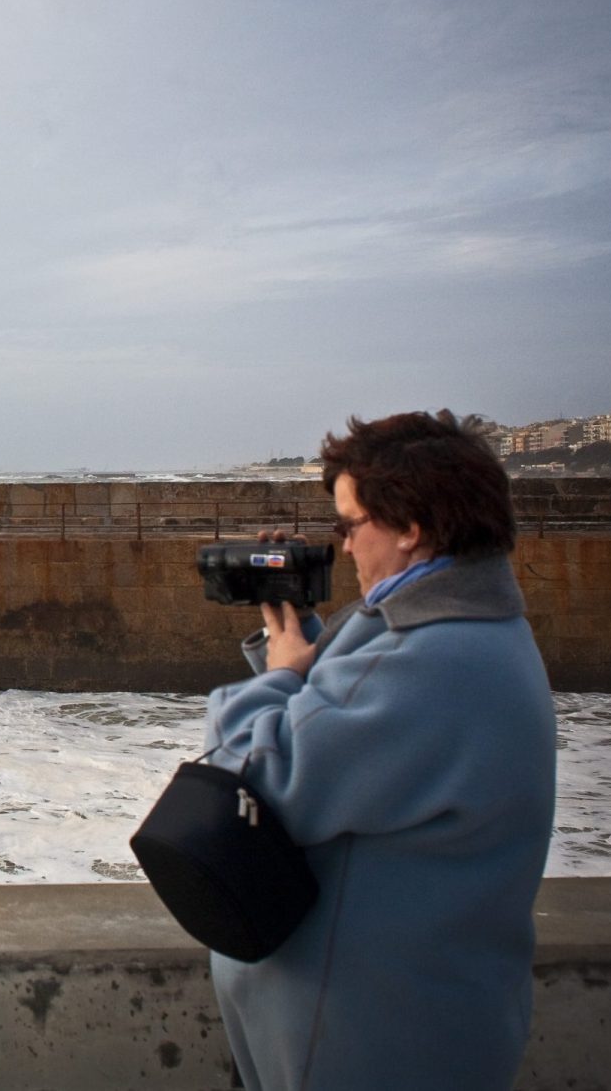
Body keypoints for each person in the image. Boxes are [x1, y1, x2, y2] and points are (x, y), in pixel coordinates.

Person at [204, 410, 556, 1090]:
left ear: (411, 526)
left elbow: (249, 778)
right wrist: (300, 637)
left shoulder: (427, 660)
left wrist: (277, 679)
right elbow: (354, 737)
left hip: (366, 1042)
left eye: (349, 525)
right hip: (427, 1016)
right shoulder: (473, 633)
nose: (341, 548)